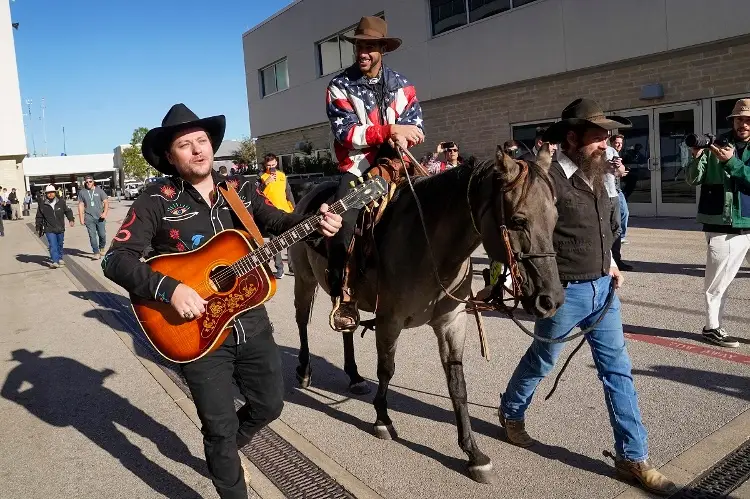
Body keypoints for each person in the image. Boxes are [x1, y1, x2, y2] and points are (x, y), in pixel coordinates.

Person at [102, 103, 342, 499]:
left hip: (251, 321)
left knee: (269, 406)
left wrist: (316, 222)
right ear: (170, 156)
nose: (197, 150)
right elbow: (115, 260)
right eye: (185, 144)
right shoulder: (155, 200)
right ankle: (227, 468)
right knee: (218, 426)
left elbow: (280, 224)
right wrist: (171, 289)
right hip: (194, 333)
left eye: (202, 141)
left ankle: (225, 452)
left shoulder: (242, 189)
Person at [498, 98, 677, 496]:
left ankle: (633, 458)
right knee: (542, 360)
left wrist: (612, 261)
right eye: (598, 138)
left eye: (607, 138)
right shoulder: (545, 183)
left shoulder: (603, 176)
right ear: (573, 138)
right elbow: (528, 236)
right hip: (565, 291)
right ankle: (510, 411)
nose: (606, 145)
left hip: (603, 289)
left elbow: (610, 226)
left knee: (617, 372)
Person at [325, 15, 424, 331]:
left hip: (399, 167)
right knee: (343, 224)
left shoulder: (404, 86)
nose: (363, 53)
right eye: (360, 47)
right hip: (357, 168)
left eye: (370, 47)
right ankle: (345, 296)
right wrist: (390, 129)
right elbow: (347, 134)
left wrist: (405, 134)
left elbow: (417, 130)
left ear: (383, 48)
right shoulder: (339, 86)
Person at [685, 97, 750, 348]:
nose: (742, 124)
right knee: (718, 281)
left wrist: (730, 162)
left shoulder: (728, 151)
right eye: (738, 119)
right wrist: (696, 154)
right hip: (722, 223)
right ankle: (712, 327)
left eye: (747, 120)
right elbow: (693, 179)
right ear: (732, 121)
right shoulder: (718, 144)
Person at [258, 153, 296, 278]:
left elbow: (288, 193)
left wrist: (294, 209)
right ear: (265, 165)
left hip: (285, 210)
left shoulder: (282, 176)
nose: (271, 167)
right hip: (270, 213)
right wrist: (264, 184)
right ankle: (279, 269)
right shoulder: (261, 177)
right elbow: (257, 194)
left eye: (273, 165)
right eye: (269, 166)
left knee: (290, 240)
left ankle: (292, 267)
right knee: (275, 242)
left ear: (277, 163)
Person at [35, 184, 75, 268]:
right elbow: (39, 216)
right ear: (46, 194)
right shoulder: (42, 204)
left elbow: (68, 211)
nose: (50, 194)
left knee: (60, 244)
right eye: (48, 193)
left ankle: (60, 258)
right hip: (49, 229)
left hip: (60, 227)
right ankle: (55, 261)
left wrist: (71, 219)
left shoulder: (61, 202)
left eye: (52, 192)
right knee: (53, 245)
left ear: (55, 193)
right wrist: (38, 227)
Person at [78, 175, 110, 259]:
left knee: (102, 235)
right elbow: (81, 205)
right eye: (87, 182)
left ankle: (102, 247)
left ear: (93, 182)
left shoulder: (99, 191)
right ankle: (96, 252)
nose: (88, 183)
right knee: (92, 236)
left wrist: (105, 213)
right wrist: (81, 218)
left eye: (90, 181)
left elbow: (106, 202)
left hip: (100, 217)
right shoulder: (82, 192)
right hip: (89, 218)